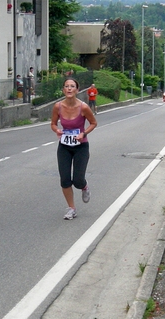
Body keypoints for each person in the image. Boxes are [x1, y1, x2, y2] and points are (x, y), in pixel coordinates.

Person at [51, 78, 97, 220]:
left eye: (72, 86)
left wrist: (83, 133)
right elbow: (52, 123)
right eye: (66, 86)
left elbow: (93, 123)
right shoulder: (57, 106)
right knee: (65, 179)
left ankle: (84, 187)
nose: (69, 89)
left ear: (77, 90)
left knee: (77, 180)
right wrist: (57, 130)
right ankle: (71, 208)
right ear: (64, 90)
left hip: (81, 146)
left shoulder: (83, 107)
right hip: (64, 146)